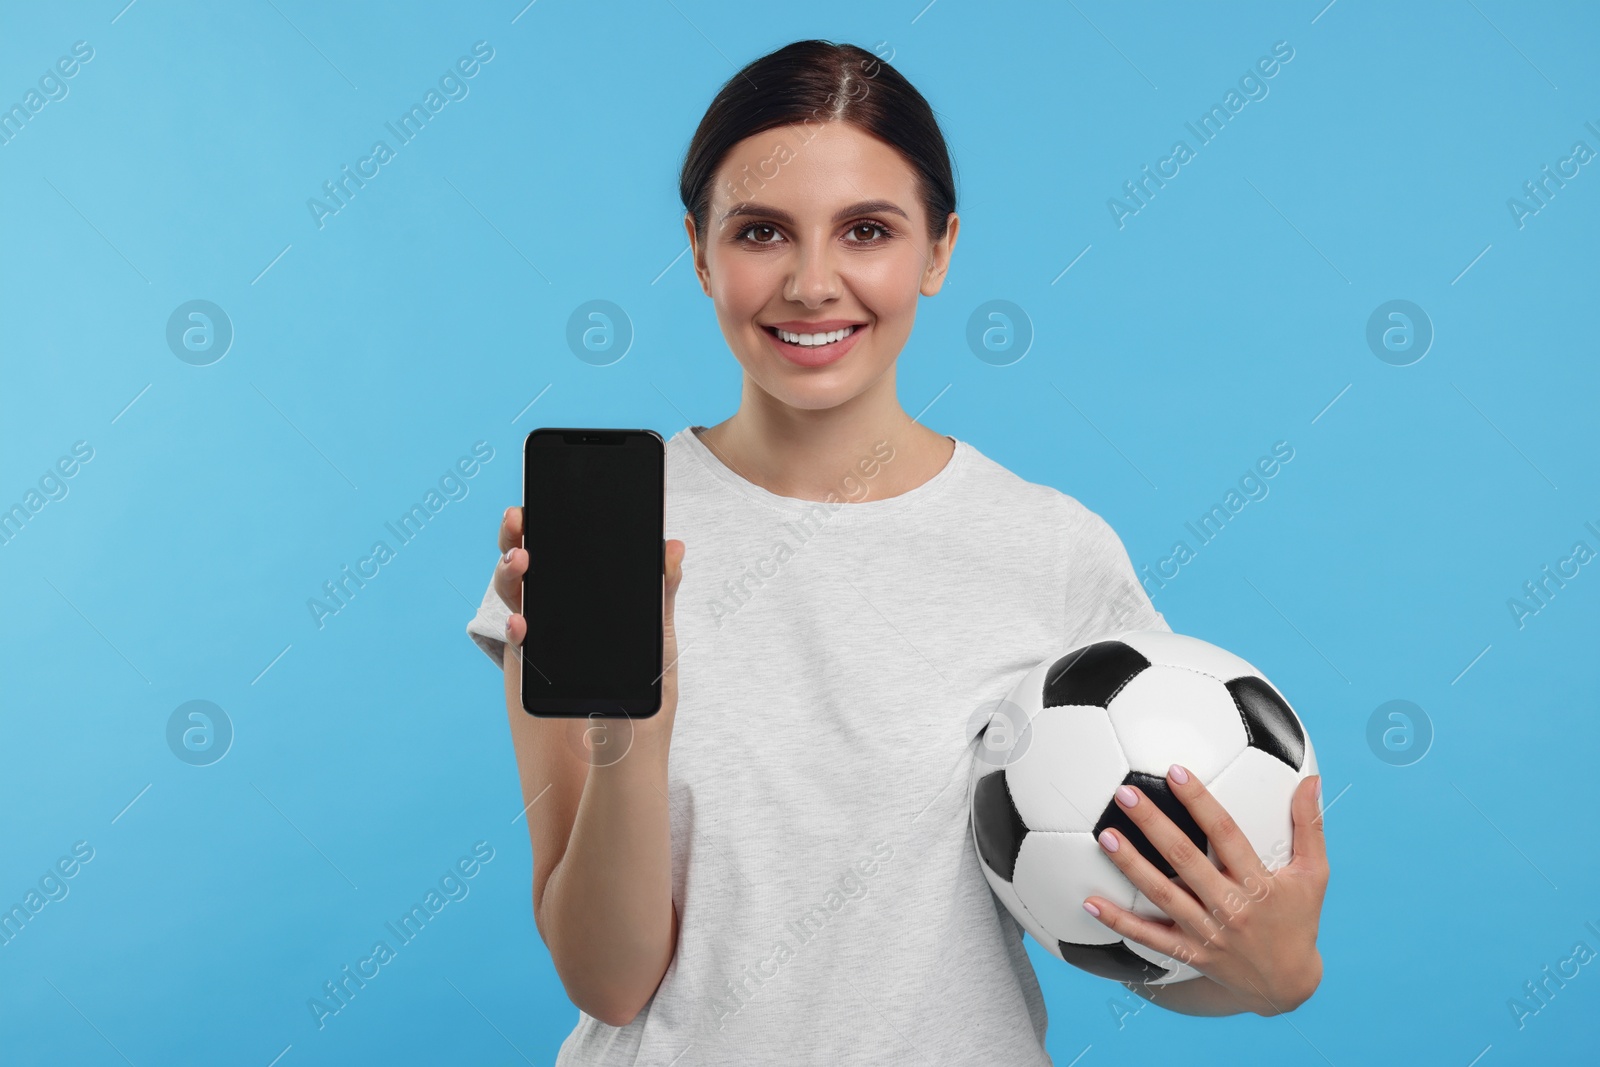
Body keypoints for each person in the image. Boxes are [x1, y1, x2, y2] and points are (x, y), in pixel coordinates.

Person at [465, 38, 1328, 1065]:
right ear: (699, 251)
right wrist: (633, 722)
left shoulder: (1050, 550)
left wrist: (1272, 976)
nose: (812, 281)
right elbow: (607, 978)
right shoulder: (598, 540)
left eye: (866, 230)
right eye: (761, 231)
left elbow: (1126, 927)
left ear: (938, 249)